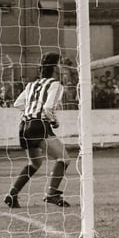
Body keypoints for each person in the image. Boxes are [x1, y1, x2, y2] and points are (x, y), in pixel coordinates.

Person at [4, 52, 71, 209]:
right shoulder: (56, 85)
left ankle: (12, 194)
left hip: (24, 127)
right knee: (64, 158)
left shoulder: (31, 85)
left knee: (35, 163)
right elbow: (48, 107)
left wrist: (32, 111)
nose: (62, 67)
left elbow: (17, 104)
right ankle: (52, 194)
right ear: (55, 67)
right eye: (60, 64)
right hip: (38, 125)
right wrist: (53, 121)